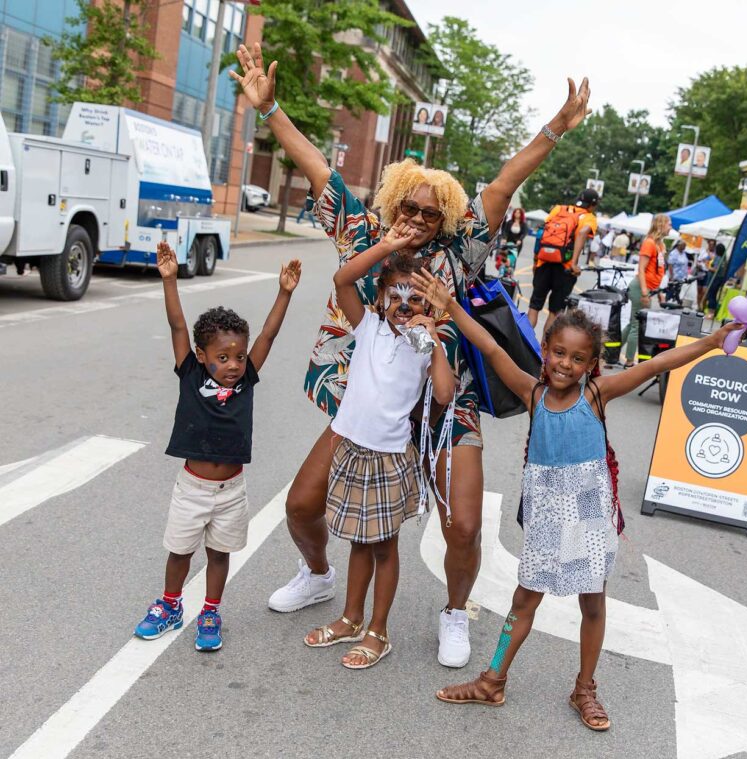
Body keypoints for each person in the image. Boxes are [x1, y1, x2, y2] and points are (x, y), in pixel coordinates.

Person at [230, 42, 591, 668]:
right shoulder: (367, 236)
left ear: (446, 216)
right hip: (372, 404)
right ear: (392, 203)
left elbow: (505, 182)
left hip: (449, 404)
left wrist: (555, 128)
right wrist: (270, 112)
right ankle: (318, 574)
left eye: (431, 211)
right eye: (409, 206)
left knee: (466, 525)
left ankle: (455, 611)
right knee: (301, 504)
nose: (419, 217)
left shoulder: (460, 251)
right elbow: (321, 170)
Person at [411, 276, 742, 730]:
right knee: (525, 599)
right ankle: (492, 681)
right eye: (558, 352)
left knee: (593, 603)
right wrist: (450, 305)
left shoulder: (597, 395)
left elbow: (658, 364)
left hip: (589, 514)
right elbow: (489, 346)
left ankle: (584, 688)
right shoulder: (532, 392)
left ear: (592, 364)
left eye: (578, 358)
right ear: (544, 348)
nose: (565, 364)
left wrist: (711, 341)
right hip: (548, 515)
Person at [133, 242, 301, 651]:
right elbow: (177, 327)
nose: (233, 364)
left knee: (220, 553)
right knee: (179, 551)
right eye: (222, 357)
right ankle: (170, 604)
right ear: (200, 355)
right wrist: (170, 281)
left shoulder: (246, 379)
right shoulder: (190, 373)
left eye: (239, 357)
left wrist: (285, 292)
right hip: (192, 488)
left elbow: (269, 334)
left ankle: (210, 610)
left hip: (231, 491)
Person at [304, 224, 456, 669]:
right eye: (396, 297)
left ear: (427, 305)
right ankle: (351, 618)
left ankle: (378, 630)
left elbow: (444, 395)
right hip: (352, 448)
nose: (404, 306)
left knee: (384, 546)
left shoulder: (425, 346)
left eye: (415, 299)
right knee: (357, 540)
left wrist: (436, 342)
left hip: (390, 458)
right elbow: (342, 280)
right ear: (381, 300)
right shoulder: (368, 326)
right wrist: (387, 246)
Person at [528, 188, 599, 335]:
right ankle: (544, 352)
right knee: (555, 312)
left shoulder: (558, 209)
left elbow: (542, 233)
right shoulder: (589, 217)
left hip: (544, 262)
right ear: (592, 205)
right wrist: (574, 263)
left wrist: (536, 261)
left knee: (534, 307)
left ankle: (522, 344)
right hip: (565, 268)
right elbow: (582, 232)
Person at [616, 214, 670, 368]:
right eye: (669, 224)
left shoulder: (660, 245)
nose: (670, 227)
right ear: (661, 225)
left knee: (633, 323)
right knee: (637, 326)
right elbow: (641, 269)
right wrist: (645, 293)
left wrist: (658, 292)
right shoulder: (649, 243)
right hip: (641, 288)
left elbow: (657, 271)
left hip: (647, 289)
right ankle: (629, 360)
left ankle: (612, 351)